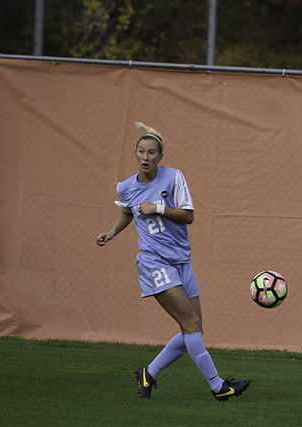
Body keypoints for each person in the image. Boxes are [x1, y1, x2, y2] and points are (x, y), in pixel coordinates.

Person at [96, 122, 250, 401]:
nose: (145, 157)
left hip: (181, 261)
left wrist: (158, 208)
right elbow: (128, 212)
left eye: (151, 152)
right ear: (135, 154)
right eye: (141, 152)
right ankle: (218, 387)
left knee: (194, 327)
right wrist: (112, 233)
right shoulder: (126, 187)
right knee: (190, 323)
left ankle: (149, 372)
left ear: (160, 157)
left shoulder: (174, 178)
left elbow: (189, 216)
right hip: (154, 263)